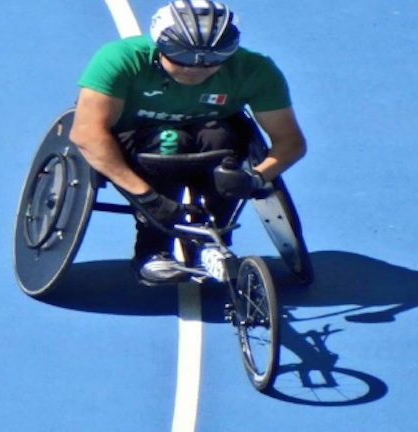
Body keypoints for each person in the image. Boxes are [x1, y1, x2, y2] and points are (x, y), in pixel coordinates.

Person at [69, 0, 306, 285]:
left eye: (213, 58)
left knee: (223, 139)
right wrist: (147, 197)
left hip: (211, 137)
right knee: (170, 142)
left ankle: (213, 239)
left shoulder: (255, 69)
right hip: (139, 139)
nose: (196, 67)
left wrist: (255, 178)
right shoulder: (120, 59)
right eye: (180, 55)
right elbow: (86, 134)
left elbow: (290, 141)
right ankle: (152, 249)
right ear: (160, 43)